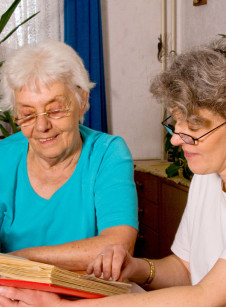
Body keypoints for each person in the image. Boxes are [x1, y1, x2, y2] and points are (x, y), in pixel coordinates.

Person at [0, 35, 226, 307]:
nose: (177, 139)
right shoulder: (209, 172)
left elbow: (207, 303)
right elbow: (185, 269)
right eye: (176, 122)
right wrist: (137, 268)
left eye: (193, 128)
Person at [0, 39, 138, 271]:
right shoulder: (5, 155)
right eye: (27, 114)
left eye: (54, 110)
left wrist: (20, 258)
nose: (42, 126)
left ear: (81, 101)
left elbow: (117, 246)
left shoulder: (108, 153)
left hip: (86, 297)